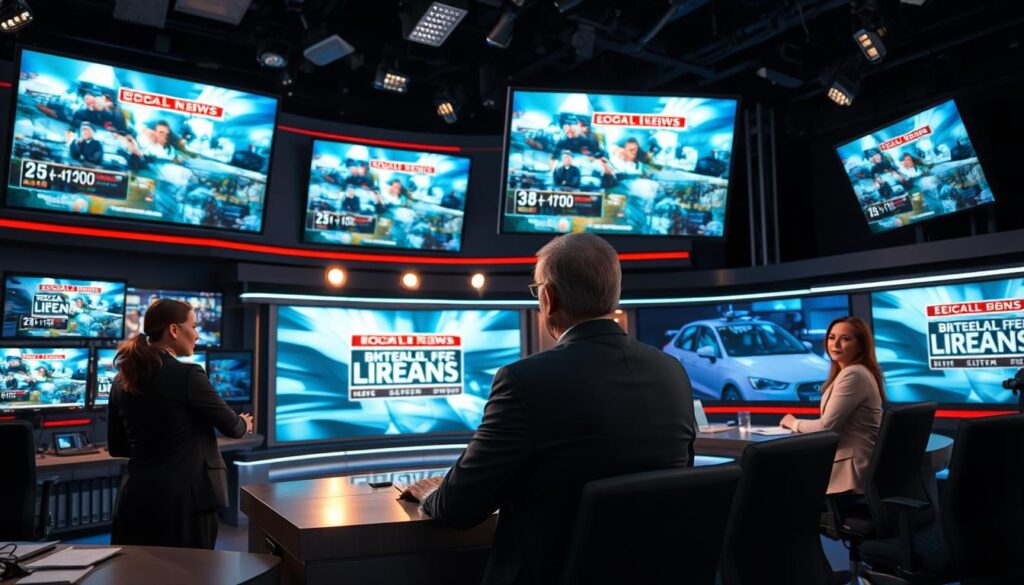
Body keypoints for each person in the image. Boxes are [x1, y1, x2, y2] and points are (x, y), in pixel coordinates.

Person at [402, 233, 696, 585]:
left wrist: (432, 492)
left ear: (548, 297)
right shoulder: (673, 371)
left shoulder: (523, 380)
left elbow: (460, 508)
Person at [107, 299, 254, 549]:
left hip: (135, 498)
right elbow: (234, 428)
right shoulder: (189, 376)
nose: (197, 335)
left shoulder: (122, 379)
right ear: (174, 330)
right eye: (194, 326)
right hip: (186, 502)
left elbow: (118, 446)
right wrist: (244, 422)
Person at [780, 316, 884, 496]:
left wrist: (793, 423)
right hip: (858, 466)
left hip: (851, 472)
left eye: (845, 339)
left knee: (779, 485)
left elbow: (826, 427)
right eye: (832, 337)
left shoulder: (853, 374)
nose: (835, 344)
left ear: (860, 345)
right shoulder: (854, 372)